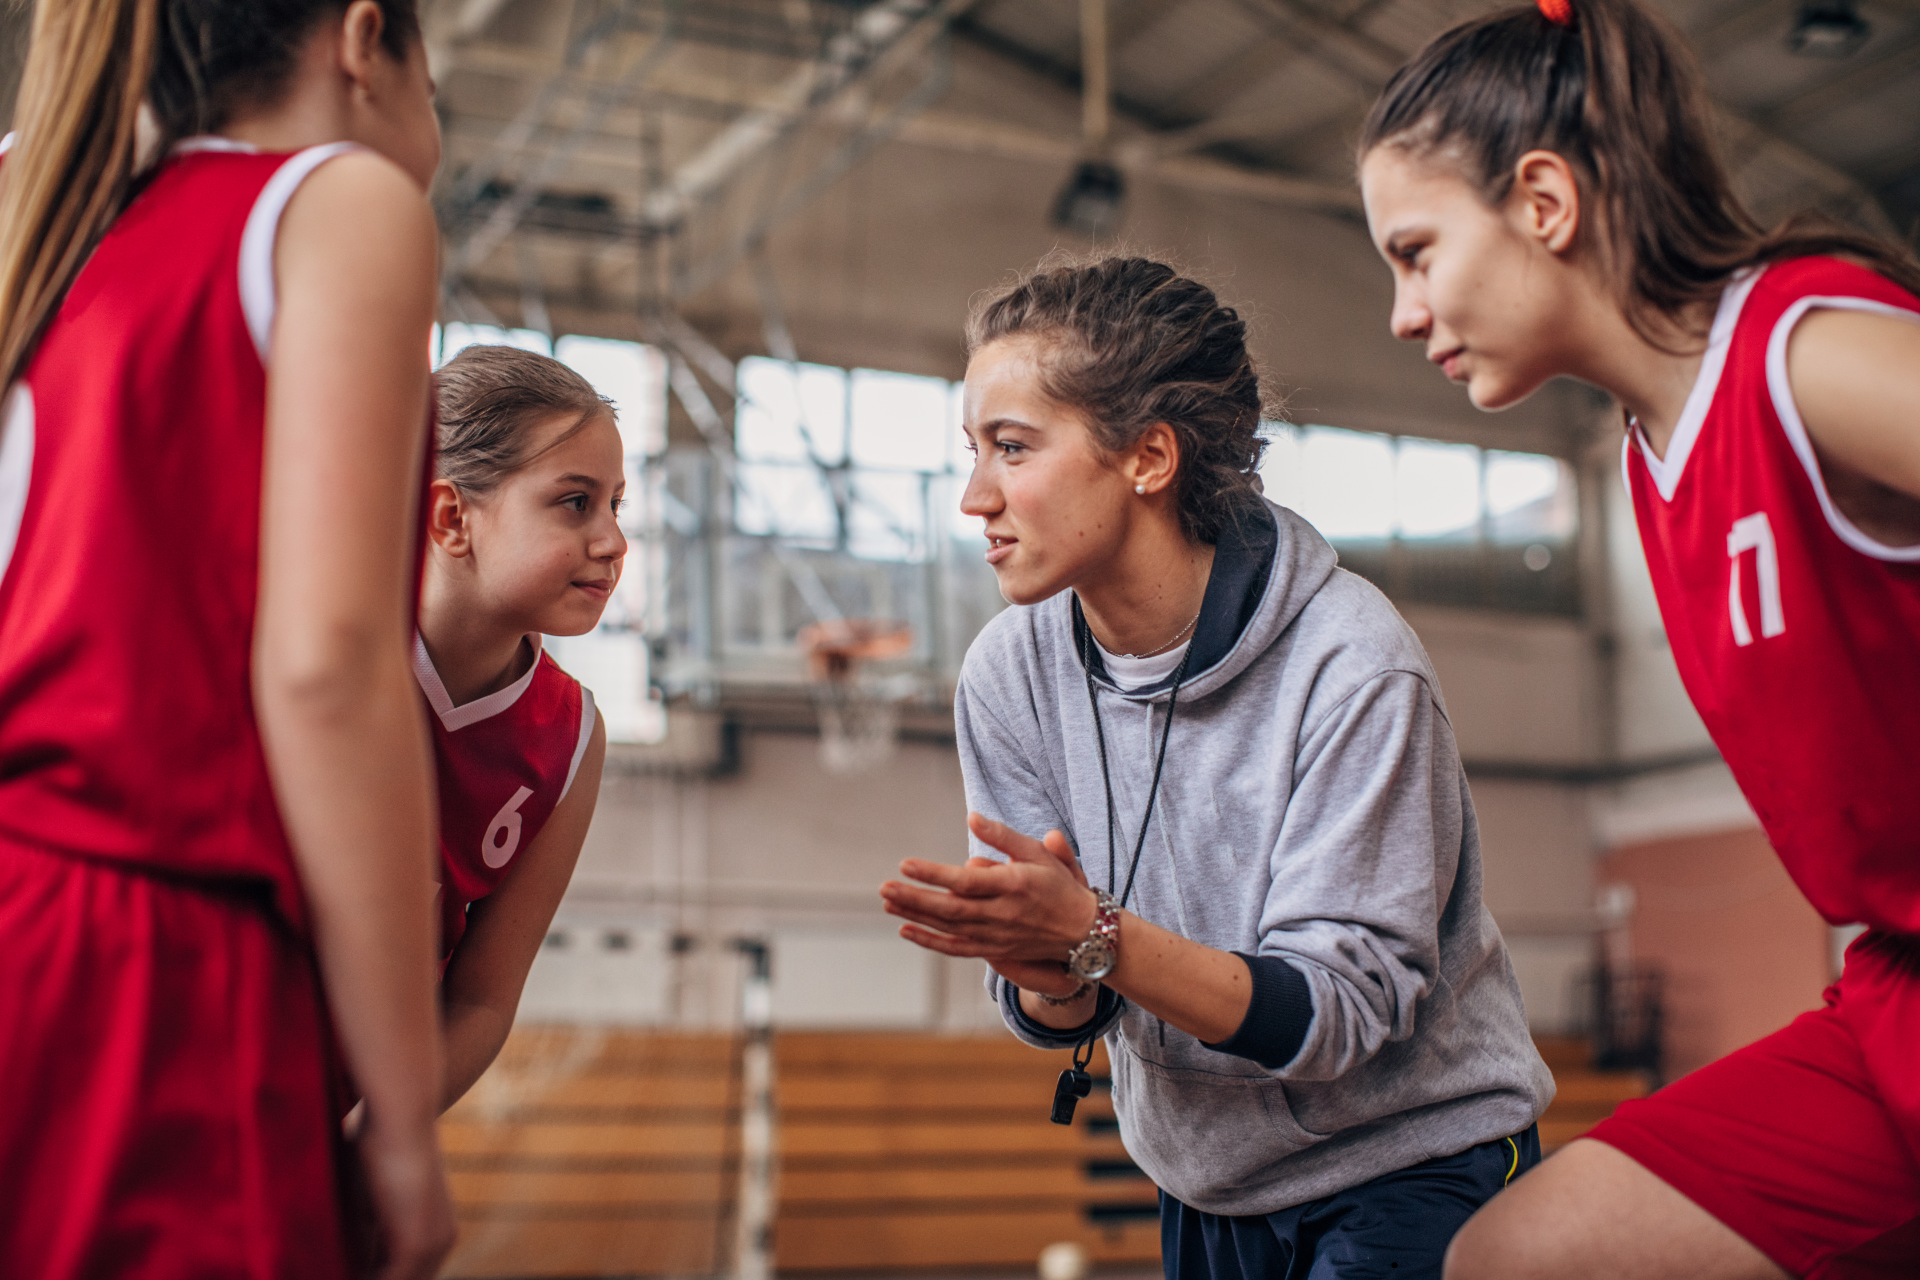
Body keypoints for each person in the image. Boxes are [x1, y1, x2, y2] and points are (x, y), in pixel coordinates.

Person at [1356, 1, 1920, 1275]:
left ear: (1543, 200)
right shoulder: (1652, 456)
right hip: (1892, 991)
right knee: (1511, 1257)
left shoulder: (1804, 354)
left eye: (1416, 252)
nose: (1401, 310)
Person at [879, 256, 1552, 1280]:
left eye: (1012, 448)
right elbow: (1072, 997)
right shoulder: (1008, 674)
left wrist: (1093, 936)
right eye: (974, 451)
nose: (976, 497)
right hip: (1206, 1182)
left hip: (1410, 1167)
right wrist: (1050, 970)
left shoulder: (1353, 664)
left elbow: (1339, 1012)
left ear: (1149, 456)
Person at [0, 2, 455, 1276]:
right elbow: (326, 672)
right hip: (131, 949)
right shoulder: (333, 204)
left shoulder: (28, 194)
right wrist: (403, 1112)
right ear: (364, 41)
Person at [418, 344, 623, 1110]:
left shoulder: (572, 737)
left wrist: (377, 1134)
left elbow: (481, 1000)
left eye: (617, 505)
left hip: (339, 1117)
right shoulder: (324, 651)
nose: (613, 541)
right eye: (575, 502)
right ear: (452, 517)